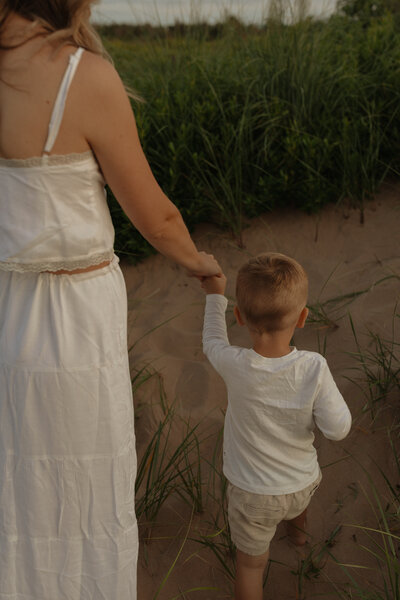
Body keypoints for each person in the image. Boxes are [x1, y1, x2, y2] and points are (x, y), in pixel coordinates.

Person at [0, 2, 220, 598]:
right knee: (80, 473)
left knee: (15, 474)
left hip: (6, 304)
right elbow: (154, 214)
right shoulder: (82, 74)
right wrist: (199, 261)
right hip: (74, 312)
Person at [201, 252, 352, 600]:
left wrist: (214, 295)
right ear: (302, 318)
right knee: (295, 508)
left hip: (253, 495)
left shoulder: (234, 363)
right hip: (302, 484)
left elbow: (211, 342)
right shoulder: (313, 367)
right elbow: (338, 429)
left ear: (238, 316)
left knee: (251, 566)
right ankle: (298, 538)